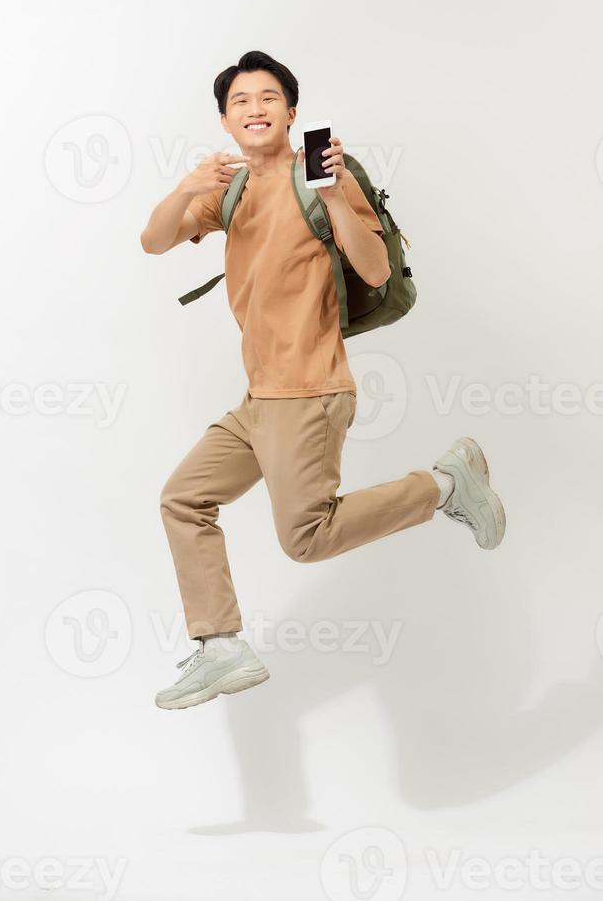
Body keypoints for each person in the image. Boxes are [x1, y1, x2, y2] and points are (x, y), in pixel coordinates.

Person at [141, 50, 506, 711]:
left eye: (269, 97)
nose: (255, 108)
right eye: (241, 101)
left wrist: (337, 194)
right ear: (225, 120)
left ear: (292, 112)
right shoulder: (229, 189)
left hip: (309, 389)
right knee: (183, 498)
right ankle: (220, 644)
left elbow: (373, 272)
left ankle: (448, 483)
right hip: (260, 399)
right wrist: (187, 187)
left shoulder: (322, 179)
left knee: (305, 538)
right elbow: (154, 240)